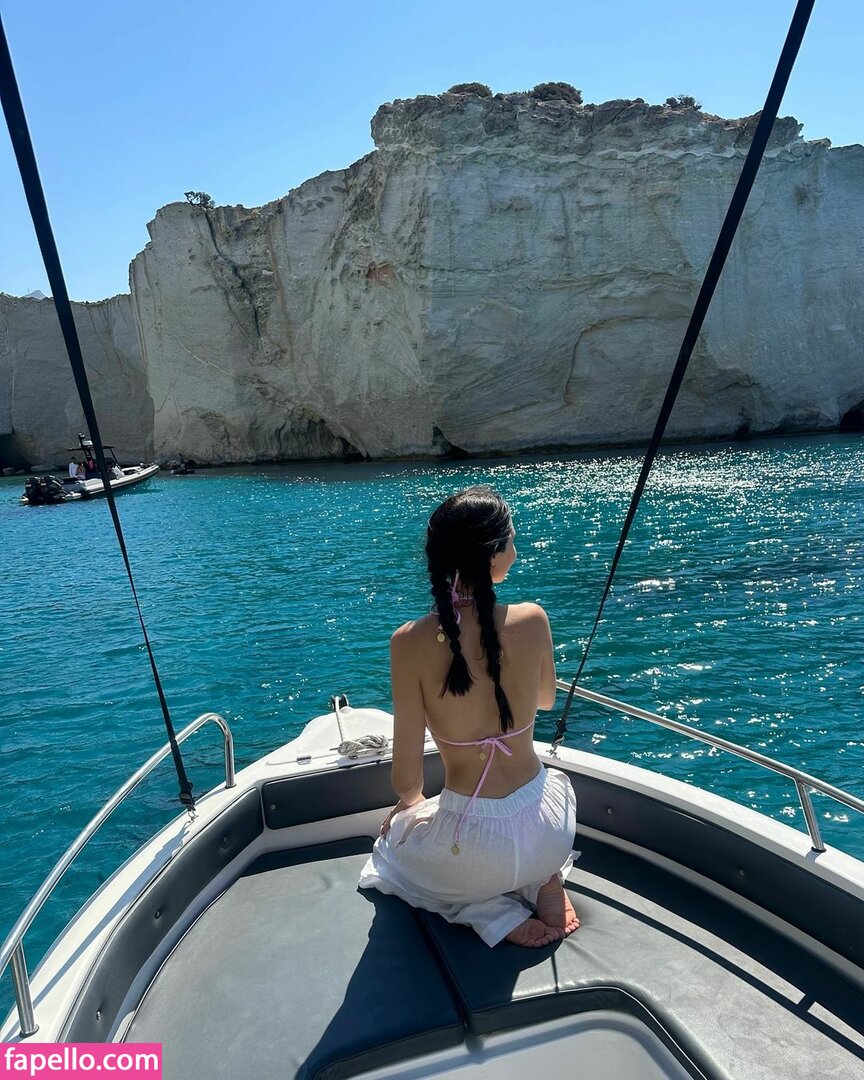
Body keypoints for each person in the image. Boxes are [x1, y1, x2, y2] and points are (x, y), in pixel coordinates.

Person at [359, 486, 579, 948]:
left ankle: (489, 911)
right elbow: (545, 701)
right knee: (534, 807)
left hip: (470, 851)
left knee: (390, 851)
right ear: (493, 554)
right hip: (550, 831)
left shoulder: (408, 643)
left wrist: (406, 811)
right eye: (512, 541)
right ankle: (543, 877)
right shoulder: (532, 619)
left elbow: (407, 782)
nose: (516, 551)